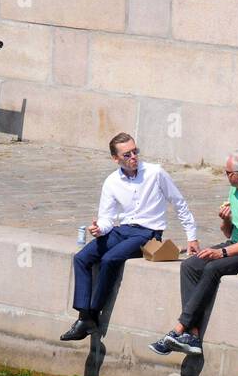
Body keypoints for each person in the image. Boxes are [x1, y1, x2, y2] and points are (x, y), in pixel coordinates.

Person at [60, 133, 200, 342]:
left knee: (110, 259)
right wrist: (99, 229)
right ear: (115, 159)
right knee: (82, 257)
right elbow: (107, 218)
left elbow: (179, 202)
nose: (133, 157)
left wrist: (192, 236)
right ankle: (85, 317)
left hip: (148, 233)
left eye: (135, 152)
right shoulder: (111, 181)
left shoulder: (155, 173)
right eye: (127, 154)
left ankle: (94, 311)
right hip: (121, 229)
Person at [150, 150, 238, 357]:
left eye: (227, 172)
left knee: (213, 267)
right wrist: (226, 221)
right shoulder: (236, 190)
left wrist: (221, 253)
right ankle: (192, 335)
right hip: (237, 243)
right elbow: (231, 233)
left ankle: (179, 328)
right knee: (191, 264)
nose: (225, 175)